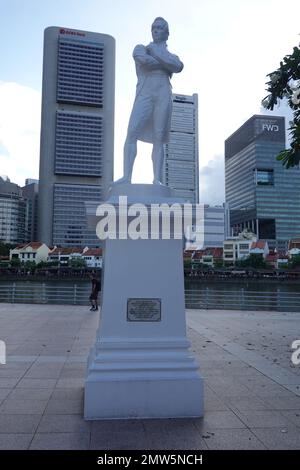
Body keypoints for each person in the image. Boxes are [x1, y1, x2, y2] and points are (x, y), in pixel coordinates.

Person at [114, 17, 183, 185]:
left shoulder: (171, 55)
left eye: (160, 28)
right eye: (154, 28)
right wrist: (164, 64)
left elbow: (178, 66)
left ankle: (157, 179)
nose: (155, 30)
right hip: (145, 92)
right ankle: (126, 177)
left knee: (159, 137)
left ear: (167, 33)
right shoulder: (141, 48)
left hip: (163, 93)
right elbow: (145, 61)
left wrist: (158, 56)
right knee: (132, 132)